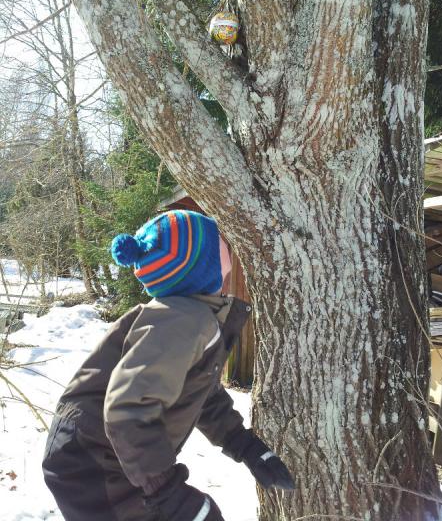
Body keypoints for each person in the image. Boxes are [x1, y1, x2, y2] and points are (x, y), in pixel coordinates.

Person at [42, 210, 294, 521]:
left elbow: (200, 392)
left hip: (111, 457)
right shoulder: (184, 321)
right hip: (95, 464)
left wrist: (245, 445)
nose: (227, 244)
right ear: (205, 265)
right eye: (218, 241)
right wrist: (168, 492)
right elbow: (127, 409)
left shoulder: (184, 317)